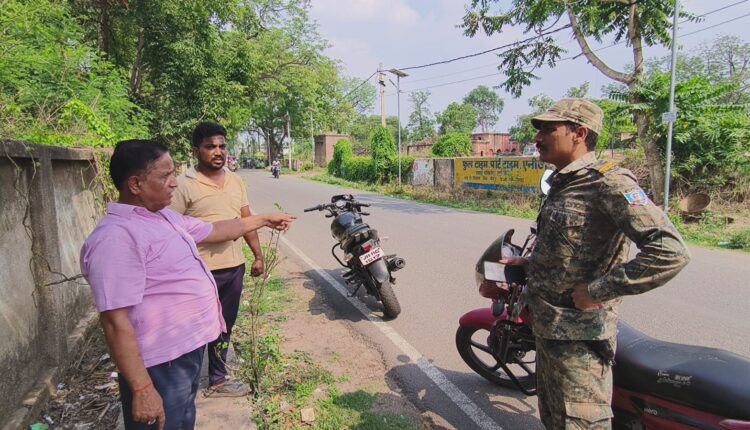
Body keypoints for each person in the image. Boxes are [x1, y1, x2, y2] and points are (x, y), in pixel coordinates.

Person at [501, 98, 691, 429]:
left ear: (579, 133)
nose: (538, 137)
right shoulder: (563, 182)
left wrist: (597, 290)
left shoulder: (609, 182)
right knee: (555, 420)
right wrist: (530, 261)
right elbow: (571, 246)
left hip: (580, 342)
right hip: (548, 330)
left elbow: (670, 252)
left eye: (549, 129)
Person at [80, 139, 294, 430]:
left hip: (184, 353)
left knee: (181, 420)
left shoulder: (163, 217)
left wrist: (265, 219)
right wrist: (143, 390)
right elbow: (115, 323)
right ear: (135, 184)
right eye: (165, 176)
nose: (173, 184)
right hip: (159, 364)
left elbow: (217, 229)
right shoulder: (116, 238)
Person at [169, 121, 261, 397]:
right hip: (198, 272)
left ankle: (218, 379)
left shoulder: (235, 180)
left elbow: (246, 220)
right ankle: (186, 384)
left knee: (225, 325)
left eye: (221, 146)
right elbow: (172, 229)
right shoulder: (183, 185)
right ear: (196, 150)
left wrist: (257, 255)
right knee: (195, 328)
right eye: (210, 147)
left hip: (233, 268)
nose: (218, 152)